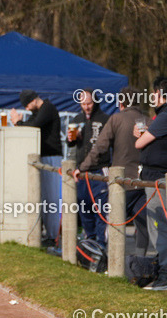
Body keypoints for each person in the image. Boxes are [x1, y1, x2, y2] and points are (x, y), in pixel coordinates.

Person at [76, 87, 149, 253]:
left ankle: (110, 261)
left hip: (121, 182)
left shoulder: (115, 119)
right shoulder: (148, 121)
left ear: (121, 103)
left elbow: (100, 147)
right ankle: (141, 264)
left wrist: (82, 168)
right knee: (143, 226)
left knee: (112, 222)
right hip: (144, 183)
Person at [10, 89, 62, 244]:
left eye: (26, 105)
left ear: (33, 100)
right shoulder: (38, 111)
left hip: (52, 156)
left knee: (51, 196)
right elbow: (30, 124)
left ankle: (53, 236)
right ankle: (47, 233)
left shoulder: (47, 108)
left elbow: (34, 126)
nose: (26, 109)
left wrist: (18, 122)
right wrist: (20, 124)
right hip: (43, 157)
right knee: (43, 197)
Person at [134, 76, 167, 290]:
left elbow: (139, 143)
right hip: (155, 178)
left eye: (154, 94)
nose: (152, 98)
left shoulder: (164, 116)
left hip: (158, 179)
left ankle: (164, 277)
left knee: (159, 228)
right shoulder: (161, 117)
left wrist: (141, 136)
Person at [68, 89, 110, 246]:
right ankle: (89, 243)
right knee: (84, 207)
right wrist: (72, 139)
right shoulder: (76, 118)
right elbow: (70, 143)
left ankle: (102, 246)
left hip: (99, 169)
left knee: (101, 209)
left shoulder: (105, 119)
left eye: (89, 103)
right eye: (83, 103)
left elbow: (107, 145)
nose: (86, 107)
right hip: (81, 170)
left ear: (95, 101)